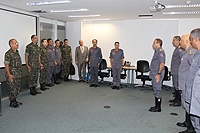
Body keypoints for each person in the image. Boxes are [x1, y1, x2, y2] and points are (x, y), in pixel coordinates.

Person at [177, 34, 196, 133]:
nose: (180, 42)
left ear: (186, 41)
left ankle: (191, 128)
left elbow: (194, 69)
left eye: (181, 40)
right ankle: (187, 122)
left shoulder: (191, 53)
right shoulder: (186, 52)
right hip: (183, 83)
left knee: (188, 105)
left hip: (187, 84)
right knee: (185, 103)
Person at [186, 28, 200, 133]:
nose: (191, 42)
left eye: (191, 40)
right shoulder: (197, 54)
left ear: (195, 40)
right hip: (193, 94)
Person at [149, 38, 165, 112]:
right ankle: (156, 106)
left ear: (158, 44)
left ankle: (158, 108)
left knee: (157, 90)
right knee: (155, 89)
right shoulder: (157, 51)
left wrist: (158, 74)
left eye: (154, 43)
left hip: (157, 74)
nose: (153, 44)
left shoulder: (160, 52)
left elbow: (162, 64)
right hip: (155, 73)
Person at [4, 39, 22, 108]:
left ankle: (15, 100)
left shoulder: (16, 52)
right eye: (15, 43)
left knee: (17, 88)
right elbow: (6, 65)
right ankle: (12, 102)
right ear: (11, 45)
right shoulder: (8, 53)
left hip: (17, 74)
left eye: (17, 42)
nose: (17, 44)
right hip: (12, 74)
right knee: (12, 89)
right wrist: (9, 75)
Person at [169, 36, 184, 107]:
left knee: (177, 86)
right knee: (175, 85)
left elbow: (182, 59)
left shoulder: (180, 49)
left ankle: (178, 101)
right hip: (175, 71)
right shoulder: (177, 49)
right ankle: (176, 99)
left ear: (178, 41)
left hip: (177, 71)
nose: (172, 42)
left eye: (173, 40)